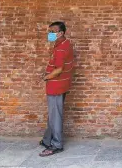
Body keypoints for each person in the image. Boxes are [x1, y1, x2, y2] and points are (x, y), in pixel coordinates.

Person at [39, 22, 74, 157]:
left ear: (61, 33)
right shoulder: (65, 44)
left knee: (55, 117)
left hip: (56, 85)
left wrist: (46, 77)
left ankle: (56, 145)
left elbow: (58, 69)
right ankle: (48, 140)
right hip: (62, 84)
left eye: (52, 31)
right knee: (53, 115)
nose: (50, 34)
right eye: (49, 31)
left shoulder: (60, 49)